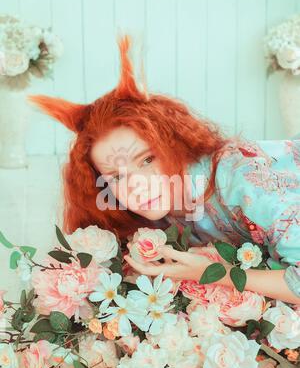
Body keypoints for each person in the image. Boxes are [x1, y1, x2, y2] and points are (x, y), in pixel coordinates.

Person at [27, 34, 300, 305]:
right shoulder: (155, 215)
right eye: (117, 177)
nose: (137, 185)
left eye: (147, 160)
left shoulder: (243, 178)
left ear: (174, 145)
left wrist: (213, 274)